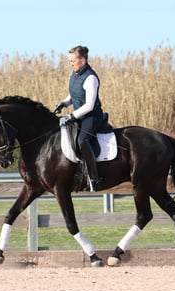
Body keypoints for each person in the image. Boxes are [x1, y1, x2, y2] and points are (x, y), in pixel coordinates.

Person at [54, 45, 104, 191]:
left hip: (92, 116)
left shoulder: (91, 78)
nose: (71, 63)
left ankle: (94, 178)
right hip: (79, 115)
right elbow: (74, 94)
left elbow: (89, 105)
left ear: (82, 60)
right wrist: (64, 103)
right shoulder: (75, 74)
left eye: (73, 60)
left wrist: (71, 115)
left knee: (82, 140)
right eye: (69, 61)